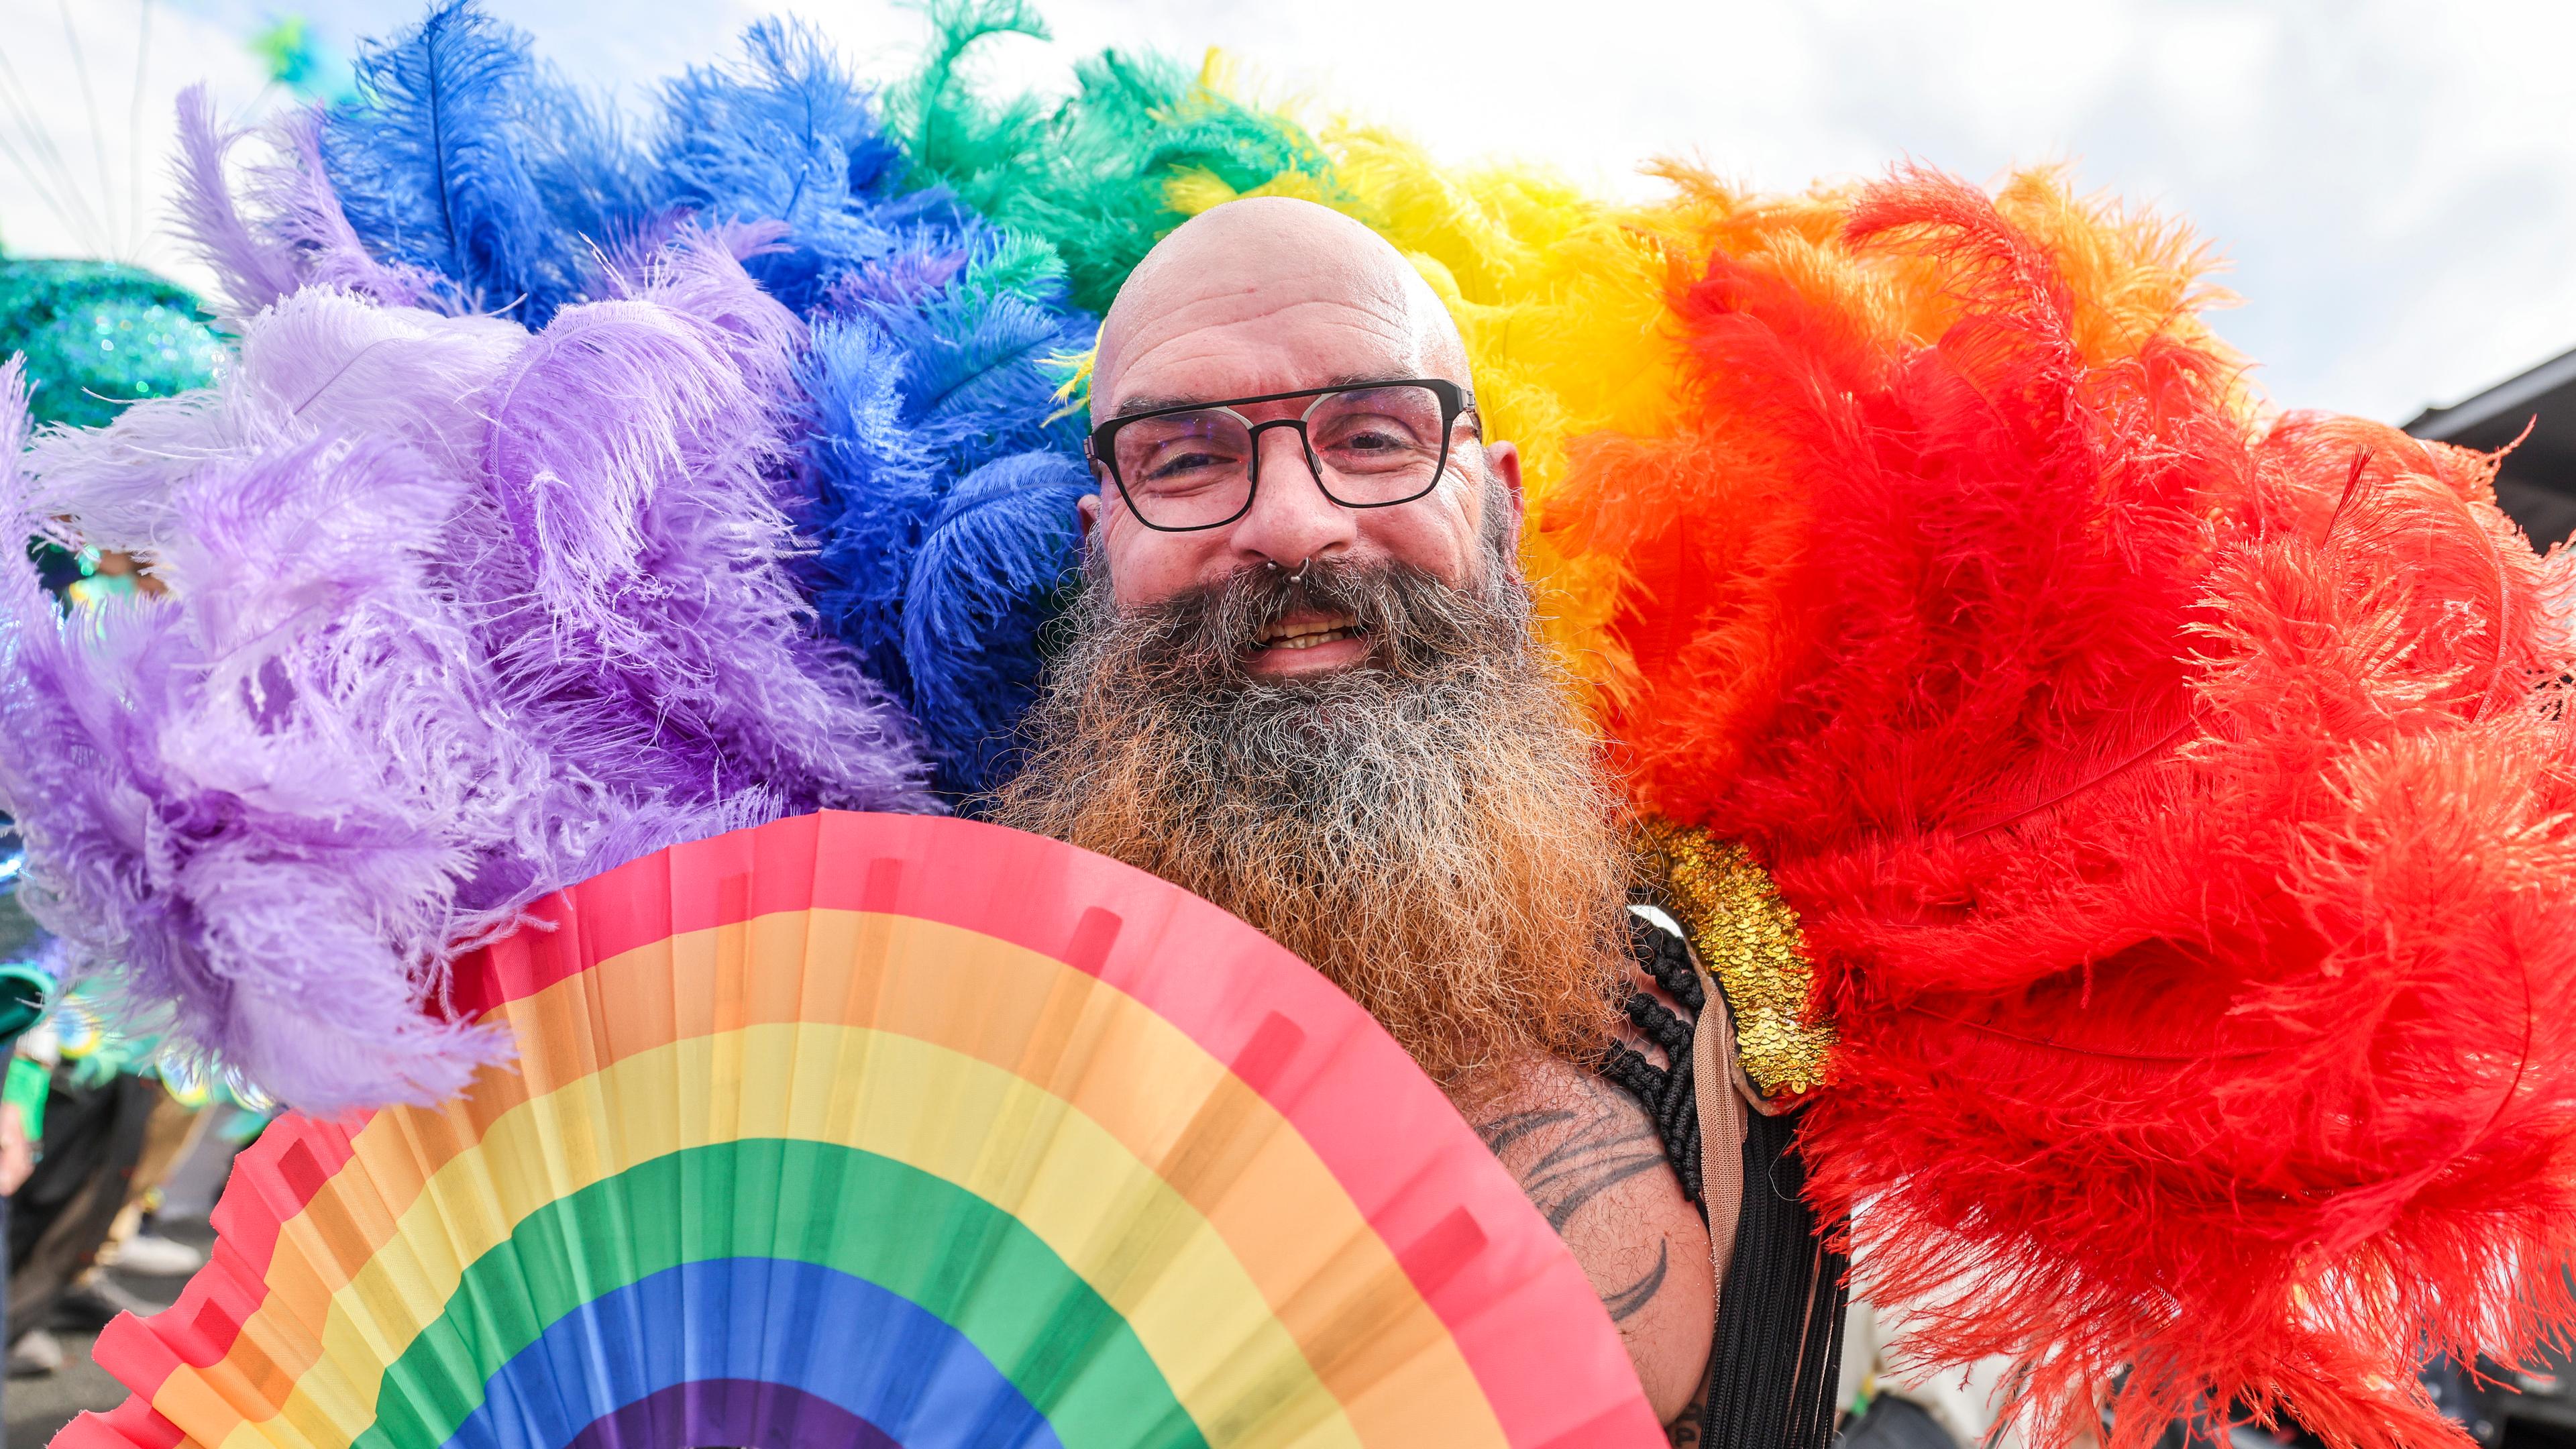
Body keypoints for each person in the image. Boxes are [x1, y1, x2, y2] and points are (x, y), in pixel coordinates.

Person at [991, 196, 1804, 1440]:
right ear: (1100, 549)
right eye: (1189, 457)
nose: (1294, 526)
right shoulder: (947, 1008)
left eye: (1373, 437)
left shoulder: (1759, 1022)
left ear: (1500, 513)